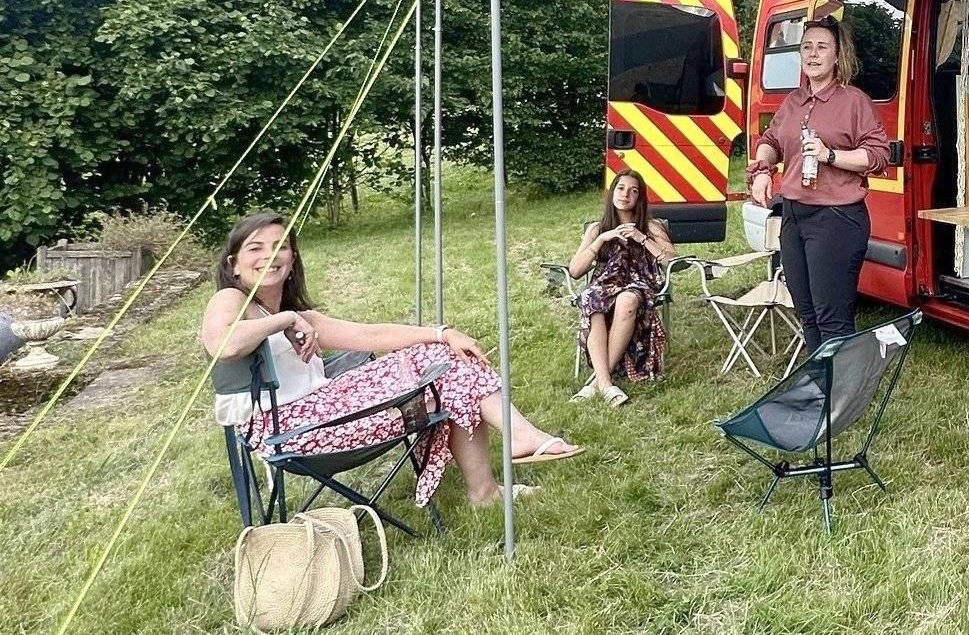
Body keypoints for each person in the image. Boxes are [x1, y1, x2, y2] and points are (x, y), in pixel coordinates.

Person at [201, 211, 579, 510]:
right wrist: (284, 321)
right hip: (289, 430)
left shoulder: (303, 319)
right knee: (444, 372)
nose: (269, 255)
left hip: (323, 413)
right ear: (234, 264)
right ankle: (509, 455)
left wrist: (442, 332)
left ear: (293, 257)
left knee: (444, 362)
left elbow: (372, 335)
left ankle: (498, 472)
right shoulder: (231, 301)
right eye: (255, 248)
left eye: (280, 245)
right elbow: (222, 345)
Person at [747, 15, 889, 352]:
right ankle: (821, 386)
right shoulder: (793, 101)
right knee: (807, 313)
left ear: (837, 56)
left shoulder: (854, 101)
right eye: (807, 47)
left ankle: (839, 395)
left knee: (832, 317)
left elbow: (879, 155)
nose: (813, 54)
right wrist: (763, 169)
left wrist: (830, 156)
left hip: (836, 219)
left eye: (822, 47)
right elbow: (771, 140)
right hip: (795, 216)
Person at [567, 168, 676, 402]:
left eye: (633, 191)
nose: (625, 195)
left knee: (627, 299)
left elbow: (673, 262)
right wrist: (600, 240)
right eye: (621, 188)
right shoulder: (597, 228)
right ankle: (606, 384)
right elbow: (575, 271)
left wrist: (641, 238)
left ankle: (596, 383)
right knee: (590, 298)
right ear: (612, 192)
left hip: (640, 284)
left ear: (640, 198)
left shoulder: (651, 226)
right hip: (605, 285)